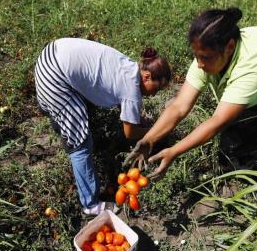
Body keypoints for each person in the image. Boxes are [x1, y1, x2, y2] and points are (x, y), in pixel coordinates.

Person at [125, 8, 257, 179]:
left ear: (229, 47)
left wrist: (173, 151)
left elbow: (218, 120)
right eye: (196, 55)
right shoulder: (207, 52)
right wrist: (148, 140)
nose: (199, 64)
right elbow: (179, 106)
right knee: (235, 140)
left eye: (205, 57)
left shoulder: (253, 66)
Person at [34, 38, 171, 215]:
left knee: (76, 113)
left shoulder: (130, 66)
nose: (153, 95)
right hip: (54, 76)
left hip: (50, 55)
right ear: (146, 77)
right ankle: (90, 205)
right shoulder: (132, 90)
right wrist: (156, 131)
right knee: (81, 143)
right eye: (157, 89)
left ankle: (56, 112)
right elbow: (130, 133)